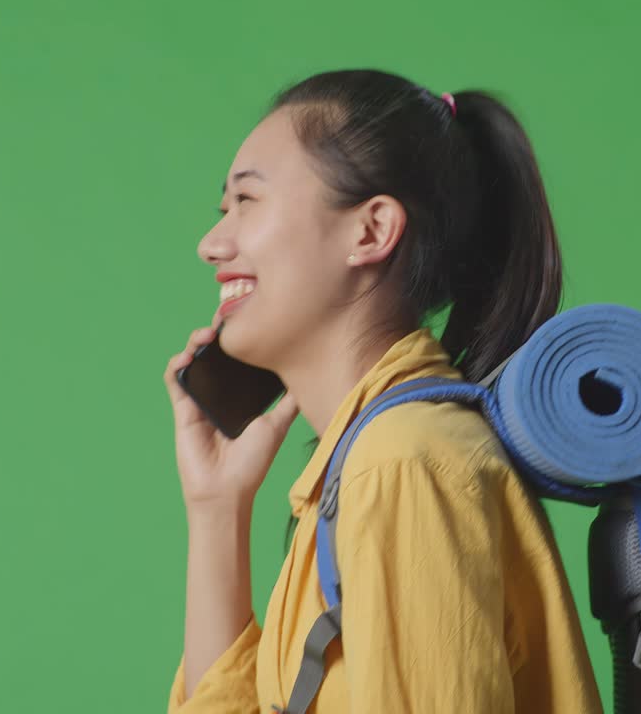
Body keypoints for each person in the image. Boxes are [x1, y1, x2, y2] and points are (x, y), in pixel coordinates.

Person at [161, 68, 602, 713]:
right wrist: (216, 508)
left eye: (247, 201)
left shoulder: (402, 463)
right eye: (222, 209)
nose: (211, 243)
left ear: (369, 232)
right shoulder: (367, 462)